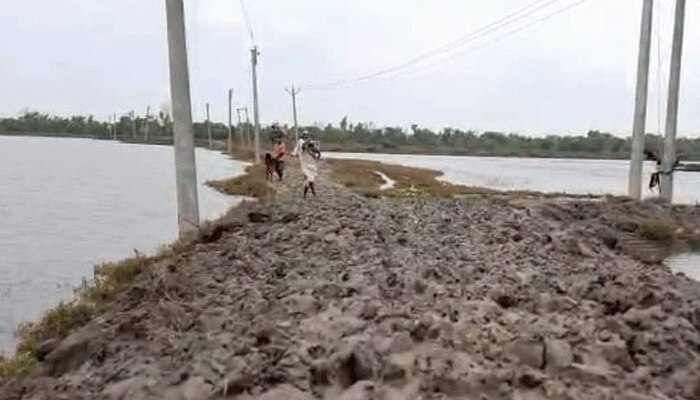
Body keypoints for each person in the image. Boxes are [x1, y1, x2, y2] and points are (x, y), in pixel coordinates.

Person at [293, 133, 321, 198]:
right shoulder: (303, 150)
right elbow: (302, 146)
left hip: (312, 168)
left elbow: (318, 153)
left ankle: (312, 193)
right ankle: (306, 195)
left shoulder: (312, 152)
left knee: (310, 180)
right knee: (308, 180)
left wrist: (317, 157)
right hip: (305, 167)